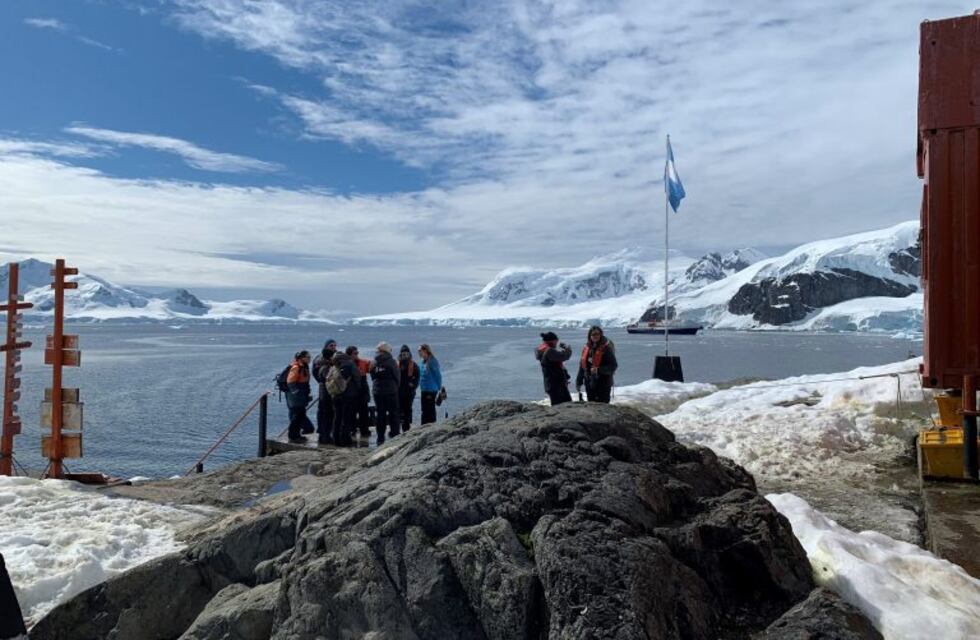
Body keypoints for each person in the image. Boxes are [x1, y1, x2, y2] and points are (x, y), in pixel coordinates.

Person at [576, 325, 618, 403]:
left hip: (603, 383)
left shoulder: (606, 349)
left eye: (597, 334)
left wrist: (598, 370)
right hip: (589, 382)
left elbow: (613, 366)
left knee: (603, 406)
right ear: (590, 336)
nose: (595, 336)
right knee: (591, 405)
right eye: (593, 334)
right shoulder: (586, 348)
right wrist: (579, 381)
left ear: (600, 335)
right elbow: (582, 366)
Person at [369, 342, 401, 444]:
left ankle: (380, 438)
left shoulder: (374, 362)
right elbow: (397, 376)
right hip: (391, 390)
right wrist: (396, 386)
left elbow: (372, 376)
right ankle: (395, 435)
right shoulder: (391, 362)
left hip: (378, 391)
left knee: (380, 414)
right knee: (393, 413)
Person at [329, 348, 360, 447]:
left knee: (337, 417)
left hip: (335, 394)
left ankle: (335, 438)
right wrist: (358, 389)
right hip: (348, 395)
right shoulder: (350, 364)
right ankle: (345, 439)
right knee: (346, 418)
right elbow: (357, 377)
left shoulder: (334, 366)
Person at [535, 331, 572, 405]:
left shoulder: (541, 350)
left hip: (550, 383)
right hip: (557, 384)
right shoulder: (549, 351)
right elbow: (564, 356)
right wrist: (568, 349)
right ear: (553, 340)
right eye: (556, 341)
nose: (556, 344)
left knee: (557, 404)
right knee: (566, 405)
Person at [312, 338, 338, 444]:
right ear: (326, 346)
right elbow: (315, 372)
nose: (333, 347)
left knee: (327, 411)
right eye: (331, 346)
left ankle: (324, 432)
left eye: (334, 346)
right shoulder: (321, 359)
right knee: (325, 411)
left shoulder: (333, 358)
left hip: (327, 388)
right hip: (326, 388)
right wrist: (322, 381)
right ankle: (324, 434)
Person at [286, 350, 315, 442]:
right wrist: (296, 392)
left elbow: (305, 382)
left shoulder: (304, 367)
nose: (309, 359)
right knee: (297, 416)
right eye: (308, 357)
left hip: (301, 396)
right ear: (302, 358)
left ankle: (297, 435)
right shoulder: (296, 367)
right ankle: (293, 436)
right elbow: (290, 381)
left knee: (299, 416)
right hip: (296, 398)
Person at [348, 346, 372, 438]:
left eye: (357, 353)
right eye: (355, 353)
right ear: (349, 354)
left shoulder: (363, 362)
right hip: (352, 390)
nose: (357, 355)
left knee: (364, 412)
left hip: (362, 389)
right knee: (352, 412)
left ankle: (364, 430)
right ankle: (352, 429)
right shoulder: (347, 364)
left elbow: (371, 367)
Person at [418, 343, 442, 425]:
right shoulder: (422, 362)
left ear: (425, 351)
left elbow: (438, 376)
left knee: (430, 409)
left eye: (420, 351)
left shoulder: (432, 361)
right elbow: (421, 376)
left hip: (431, 390)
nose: (419, 352)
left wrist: (439, 388)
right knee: (424, 409)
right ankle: (423, 426)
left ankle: (431, 425)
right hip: (424, 389)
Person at [398, 345, 419, 432]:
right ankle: (398, 427)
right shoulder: (397, 364)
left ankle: (406, 427)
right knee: (399, 410)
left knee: (408, 409)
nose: (405, 356)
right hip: (399, 391)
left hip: (409, 391)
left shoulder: (414, 365)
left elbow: (417, 378)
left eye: (406, 354)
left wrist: (413, 386)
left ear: (409, 354)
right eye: (403, 354)